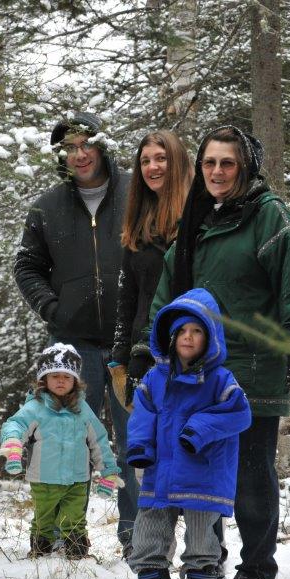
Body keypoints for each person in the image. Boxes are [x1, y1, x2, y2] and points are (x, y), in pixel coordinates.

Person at [149, 125, 290, 579]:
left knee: (249, 475)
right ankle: (207, 563)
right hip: (199, 373)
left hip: (252, 368)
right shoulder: (197, 221)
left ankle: (258, 569)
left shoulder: (269, 218)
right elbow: (169, 294)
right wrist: (156, 348)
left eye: (228, 163)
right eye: (209, 163)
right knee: (204, 474)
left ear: (245, 167)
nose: (217, 172)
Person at [13, 111, 139, 556]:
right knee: (65, 441)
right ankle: (66, 536)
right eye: (69, 148)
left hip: (129, 343)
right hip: (72, 345)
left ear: (102, 146)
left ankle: (136, 539)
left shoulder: (136, 194)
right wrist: (53, 308)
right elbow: (26, 266)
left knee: (131, 440)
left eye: (86, 144)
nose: (79, 154)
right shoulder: (47, 207)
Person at [126, 288, 252, 579]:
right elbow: (142, 416)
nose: (188, 337)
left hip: (203, 471)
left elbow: (239, 414)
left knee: (200, 535)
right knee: (148, 533)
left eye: (196, 331)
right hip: (161, 470)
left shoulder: (220, 379)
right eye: (182, 330)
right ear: (170, 336)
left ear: (210, 338)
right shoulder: (155, 378)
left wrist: (198, 429)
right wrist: (140, 448)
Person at [0, 343, 123, 560]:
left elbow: (99, 440)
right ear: (43, 379)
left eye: (67, 376)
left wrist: (108, 470)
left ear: (75, 380)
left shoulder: (83, 410)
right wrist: (13, 443)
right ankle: (41, 549)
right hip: (44, 478)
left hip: (77, 479)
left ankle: (76, 551)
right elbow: (15, 425)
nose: (61, 380)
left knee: (74, 518)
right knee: (44, 517)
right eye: (54, 375)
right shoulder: (35, 407)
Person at [109, 130, 193, 407]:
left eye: (161, 158)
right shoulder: (138, 224)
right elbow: (128, 296)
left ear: (178, 163)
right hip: (142, 357)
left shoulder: (198, 220)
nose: (152, 167)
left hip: (188, 353)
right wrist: (119, 360)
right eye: (145, 161)